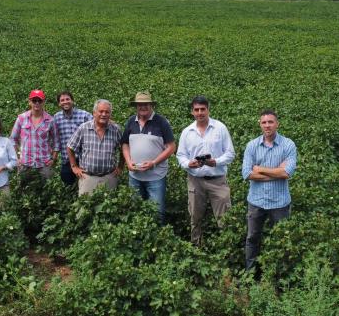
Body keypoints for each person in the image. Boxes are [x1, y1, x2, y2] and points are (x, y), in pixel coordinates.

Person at [242, 109, 297, 275]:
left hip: (280, 202)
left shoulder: (288, 145)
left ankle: (281, 277)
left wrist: (260, 169)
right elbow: (247, 173)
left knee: (282, 240)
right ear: (260, 124)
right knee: (252, 238)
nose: (267, 125)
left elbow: (287, 173)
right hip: (256, 201)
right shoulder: (252, 145)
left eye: (270, 122)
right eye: (264, 122)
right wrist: (276, 173)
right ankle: (250, 274)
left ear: (277, 124)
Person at [175, 95, 235, 245]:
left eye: (203, 109)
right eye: (197, 110)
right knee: (195, 218)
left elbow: (230, 153)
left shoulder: (220, 128)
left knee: (225, 218)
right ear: (192, 112)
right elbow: (180, 155)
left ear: (208, 110)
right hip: (195, 181)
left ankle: (227, 248)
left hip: (218, 181)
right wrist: (189, 164)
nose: (200, 112)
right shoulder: (187, 132)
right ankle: (196, 247)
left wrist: (215, 162)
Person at [121, 91, 176, 224]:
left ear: (151, 105)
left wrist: (153, 163)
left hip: (156, 177)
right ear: (136, 106)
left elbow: (171, 147)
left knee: (157, 213)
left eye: (146, 104)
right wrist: (128, 162)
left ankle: (157, 240)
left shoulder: (161, 122)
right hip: (134, 177)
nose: (143, 107)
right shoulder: (130, 122)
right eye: (140, 104)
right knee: (135, 211)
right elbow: (125, 144)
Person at [67, 99, 123, 196]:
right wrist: (74, 166)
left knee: (109, 208)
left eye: (107, 112)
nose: (104, 114)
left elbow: (123, 149)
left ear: (110, 114)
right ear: (94, 113)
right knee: (86, 208)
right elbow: (70, 147)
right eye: (101, 111)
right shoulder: (83, 128)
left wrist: (120, 167)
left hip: (109, 177)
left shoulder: (116, 130)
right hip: (88, 178)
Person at [10, 89, 58, 189]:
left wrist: (53, 158)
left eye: (39, 101)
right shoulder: (21, 118)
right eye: (34, 100)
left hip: (44, 162)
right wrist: (17, 158)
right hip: (25, 162)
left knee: (48, 189)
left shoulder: (50, 120)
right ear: (30, 102)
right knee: (22, 189)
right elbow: (12, 139)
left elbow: (56, 142)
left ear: (43, 102)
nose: (37, 103)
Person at [53, 91, 92, 188]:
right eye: (62, 100)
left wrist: (110, 121)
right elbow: (53, 138)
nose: (65, 102)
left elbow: (98, 122)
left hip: (84, 159)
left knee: (85, 187)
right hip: (67, 160)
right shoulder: (56, 118)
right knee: (68, 185)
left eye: (67, 99)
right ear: (59, 104)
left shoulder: (84, 115)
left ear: (72, 101)